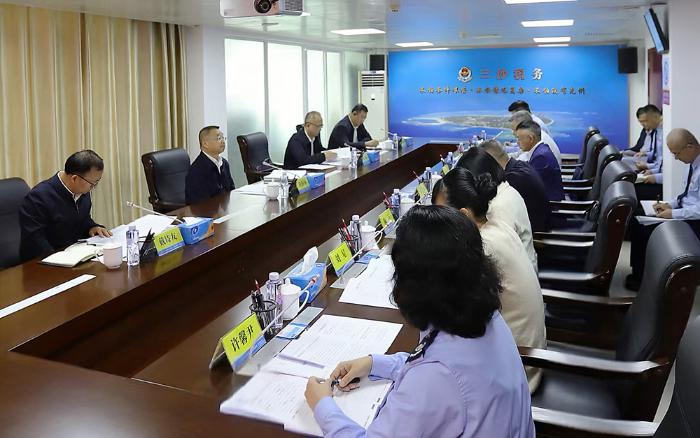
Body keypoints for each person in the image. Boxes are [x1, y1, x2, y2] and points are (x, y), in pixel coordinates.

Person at [304, 205, 535, 437]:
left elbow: (438, 376)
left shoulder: (435, 378)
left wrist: (322, 406)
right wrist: (374, 363)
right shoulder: (483, 315)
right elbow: (439, 363)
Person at [433, 167, 546, 393]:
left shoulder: (482, 246)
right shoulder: (496, 224)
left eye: (441, 215)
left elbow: (451, 308)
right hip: (524, 351)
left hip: (515, 369)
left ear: (464, 215)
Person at [626, 128, 700, 291]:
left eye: (677, 153)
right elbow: (686, 196)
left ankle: (641, 280)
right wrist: (670, 205)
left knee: (644, 228)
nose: (676, 158)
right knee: (637, 217)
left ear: (689, 147)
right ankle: (638, 273)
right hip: (685, 213)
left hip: (695, 221)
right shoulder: (691, 164)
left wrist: (673, 214)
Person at [19, 150, 112, 262]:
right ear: (74, 179)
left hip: (75, 256)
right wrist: (60, 260)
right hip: (45, 263)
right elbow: (35, 242)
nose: (93, 187)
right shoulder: (38, 198)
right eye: (92, 184)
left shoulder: (81, 190)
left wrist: (92, 227)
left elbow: (82, 219)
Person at [457, 147, 538, 272]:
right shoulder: (504, 190)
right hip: (521, 268)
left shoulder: (497, 207)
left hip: (513, 274)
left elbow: (489, 252)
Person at [481, 139, 552, 232]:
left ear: (490, 160)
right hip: (537, 222)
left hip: (535, 231)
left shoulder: (513, 178)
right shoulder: (520, 165)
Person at [515, 120, 564, 202]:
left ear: (531, 139)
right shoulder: (540, 149)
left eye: (519, 139)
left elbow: (528, 186)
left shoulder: (541, 157)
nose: (517, 142)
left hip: (551, 205)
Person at [185, 125, 235, 205]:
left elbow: (231, 190)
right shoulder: (197, 170)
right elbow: (199, 203)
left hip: (225, 208)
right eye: (219, 138)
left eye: (223, 138)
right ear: (205, 144)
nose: (223, 141)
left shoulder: (224, 163)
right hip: (207, 210)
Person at [634, 105, 664, 185]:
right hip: (656, 170)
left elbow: (662, 162)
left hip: (662, 176)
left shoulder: (665, 131)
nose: (643, 124)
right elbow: (656, 155)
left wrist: (649, 168)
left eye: (646, 121)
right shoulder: (656, 131)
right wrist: (650, 169)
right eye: (641, 122)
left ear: (655, 117)